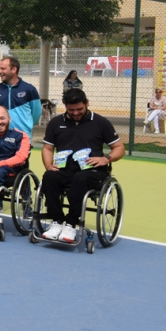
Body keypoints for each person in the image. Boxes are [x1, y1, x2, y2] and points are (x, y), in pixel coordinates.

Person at [40, 88, 124, 243]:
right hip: (65, 169)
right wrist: (48, 165)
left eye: (79, 109)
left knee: (80, 178)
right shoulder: (56, 123)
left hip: (93, 171)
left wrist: (105, 159)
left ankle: (71, 224)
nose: (76, 113)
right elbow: (47, 148)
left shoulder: (101, 122)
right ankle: (57, 222)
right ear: (65, 106)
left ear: (87, 103)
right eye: (71, 110)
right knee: (49, 177)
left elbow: (119, 148)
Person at [0, 56, 42, 139]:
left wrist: (26, 127)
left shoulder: (29, 89)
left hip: (22, 138)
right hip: (1, 138)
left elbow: (36, 113)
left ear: (14, 69)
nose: (0, 72)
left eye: (3, 69)